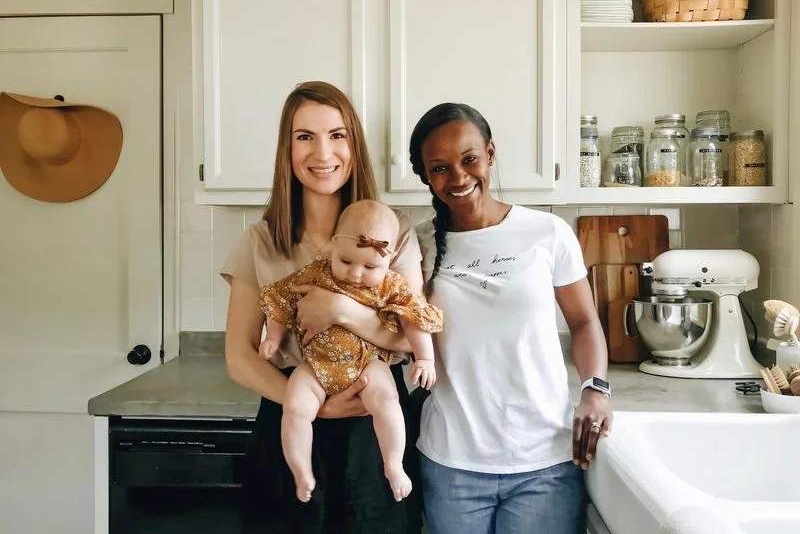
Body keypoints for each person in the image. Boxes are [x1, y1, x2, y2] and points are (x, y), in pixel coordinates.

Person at [221, 81, 426, 534]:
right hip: (290, 421)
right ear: (287, 149)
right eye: (304, 137)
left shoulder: (395, 234)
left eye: (337, 135)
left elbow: (408, 337)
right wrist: (313, 407)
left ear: (354, 144)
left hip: (375, 426)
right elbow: (238, 357)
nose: (322, 152)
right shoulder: (262, 241)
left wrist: (340, 310)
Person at [407, 102, 613, 534]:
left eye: (469, 160)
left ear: (491, 154)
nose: (459, 178)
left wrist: (595, 390)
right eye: (440, 168)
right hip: (451, 462)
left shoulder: (548, 232)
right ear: (425, 175)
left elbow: (584, 322)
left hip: (546, 462)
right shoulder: (416, 244)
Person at [258, 199, 443, 503]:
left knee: (386, 400)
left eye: (370, 266)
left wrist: (425, 357)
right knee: (294, 406)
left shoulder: (390, 285)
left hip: (367, 363)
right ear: (332, 247)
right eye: (346, 261)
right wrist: (273, 338)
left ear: (389, 260)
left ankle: (393, 464)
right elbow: (280, 300)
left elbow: (414, 317)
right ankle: (301, 472)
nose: (356, 273)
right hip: (316, 364)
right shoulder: (317, 272)